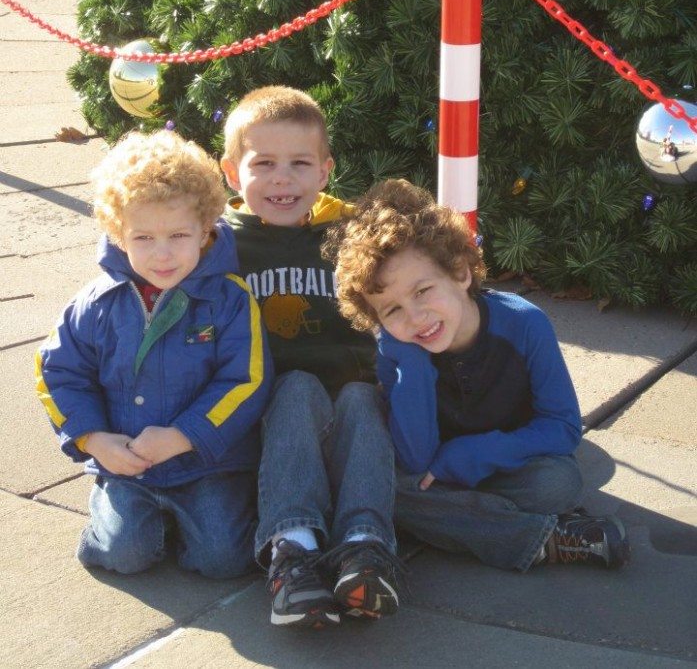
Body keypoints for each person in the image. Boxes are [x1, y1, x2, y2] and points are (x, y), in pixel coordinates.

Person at [325, 178, 631, 573]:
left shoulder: (524, 324)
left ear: (460, 272)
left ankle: (458, 520)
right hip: (430, 471)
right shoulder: (400, 349)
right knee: (387, 484)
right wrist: (413, 366)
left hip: (502, 462)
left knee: (557, 484)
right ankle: (547, 538)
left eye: (422, 291)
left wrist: (473, 454)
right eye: (392, 310)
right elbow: (415, 457)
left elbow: (562, 428)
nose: (416, 318)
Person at [35, 130, 273, 578]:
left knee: (223, 559)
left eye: (178, 235)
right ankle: (119, 515)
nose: (162, 255)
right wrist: (94, 439)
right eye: (143, 237)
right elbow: (58, 372)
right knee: (124, 555)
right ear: (118, 234)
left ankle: (179, 523)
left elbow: (247, 380)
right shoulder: (97, 302)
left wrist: (184, 435)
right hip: (127, 463)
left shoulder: (228, 300)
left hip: (205, 462)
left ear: (206, 231)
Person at [221, 86, 400, 628]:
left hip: (349, 406)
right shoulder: (215, 244)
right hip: (270, 417)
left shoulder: (347, 233)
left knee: (362, 398)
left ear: (324, 171)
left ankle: (364, 545)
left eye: (300, 164)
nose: (283, 179)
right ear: (232, 172)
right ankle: (292, 549)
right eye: (264, 164)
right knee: (295, 385)